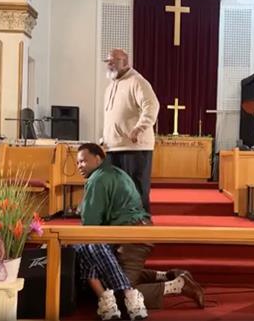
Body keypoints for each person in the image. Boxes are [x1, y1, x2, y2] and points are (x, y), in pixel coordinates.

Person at [75, 143, 204, 320]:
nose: (79, 166)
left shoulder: (97, 179)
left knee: (117, 292)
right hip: (140, 230)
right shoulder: (117, 172)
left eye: (83, 161)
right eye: (77, 163)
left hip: (131, 238)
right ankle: (164, 275)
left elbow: (90, 227)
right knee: (112, 271)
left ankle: (178, 285)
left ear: (98, 158)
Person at [102, 48, 160, 212]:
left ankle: (142, 228)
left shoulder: (137, 81)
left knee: (136, 190)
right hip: (113, 147)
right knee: (118, 191)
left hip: (134, 147)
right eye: (108, 62)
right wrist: (105, 136)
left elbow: (151, 106)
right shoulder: (109, 87)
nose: (109, 65)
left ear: (125, 62)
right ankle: (122, 228)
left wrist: (138, 129)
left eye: (113, 61)